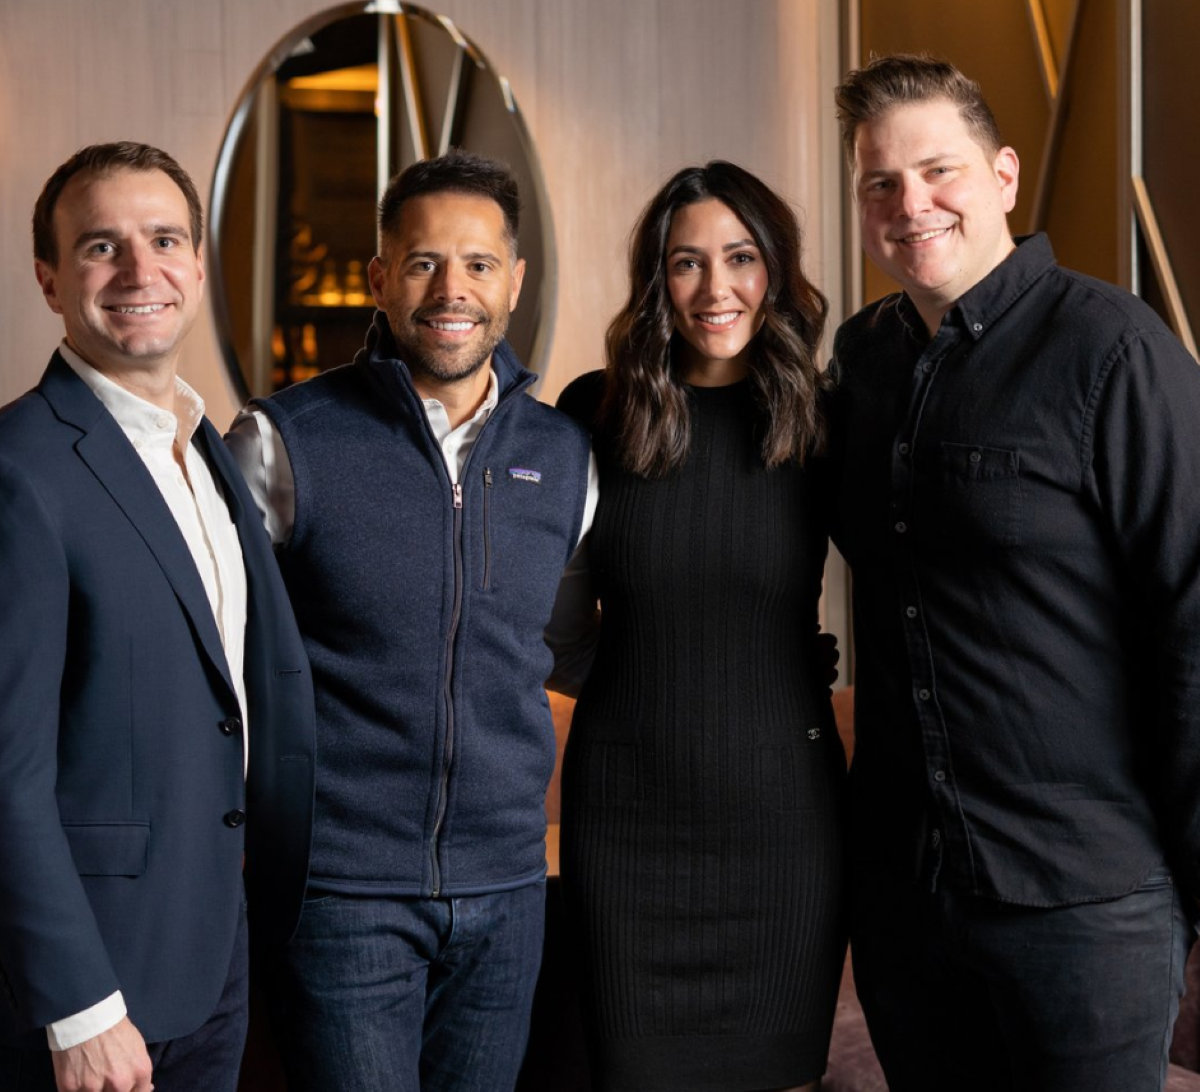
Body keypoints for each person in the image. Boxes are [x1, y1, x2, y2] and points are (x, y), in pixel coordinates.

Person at [829, 53, 1200, 1090]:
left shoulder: (1115, 350)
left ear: (1002, 175)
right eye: (880, 182)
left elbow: (1194, 628)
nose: (911, 204)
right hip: (908, 900)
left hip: (1086, 902)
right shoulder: (861, 360)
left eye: (937, 171)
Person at [226, 147, 596, 1092]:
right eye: (424, 262)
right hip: (342, 894)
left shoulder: (564, 456)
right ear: (380, 278)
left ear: (514, 283)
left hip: (509, 890)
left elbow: (554, 644)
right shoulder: (282, 441)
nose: (451, 290)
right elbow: (220, 660)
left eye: (478, 264)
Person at [0, 142, 315, 1092]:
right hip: (93, 988)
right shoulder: (19, 469)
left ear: (199, 264)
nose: (141, 271)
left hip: (212, 950)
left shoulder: (207, 446)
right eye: (102, 247)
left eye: (165, 240)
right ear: (50, 279)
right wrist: (79, 1006)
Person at [551, 161, 845, 1092]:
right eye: (687, 262)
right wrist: (644, 686)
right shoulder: (594, 411)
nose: (716, 288)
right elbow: (555, 625)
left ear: (776, 268)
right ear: (656, 279)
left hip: (785, 822)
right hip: (626, 823)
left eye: (742, 257)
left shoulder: (822, 418)